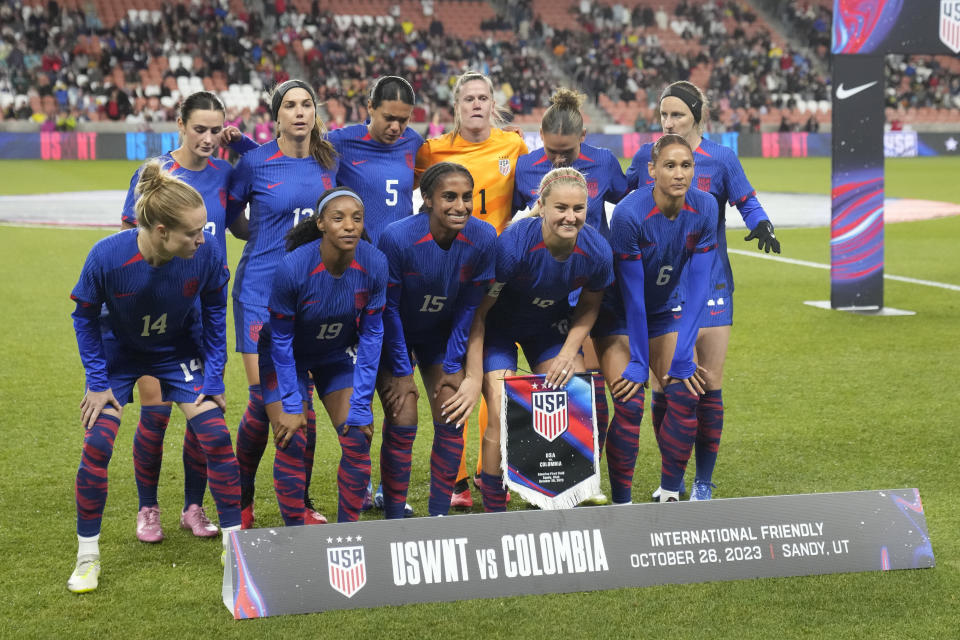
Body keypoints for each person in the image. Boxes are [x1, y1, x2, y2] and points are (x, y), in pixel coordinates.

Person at [68, 162, 241, 593]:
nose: (202, 239)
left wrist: (214, 376)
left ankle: (238, 553)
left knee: (217, 436)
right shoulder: (107, 255)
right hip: (119, 358)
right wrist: (96, 380)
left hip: (176, 353)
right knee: (98, 443)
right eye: (193, 232)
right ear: (161, 230)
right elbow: (84, 317)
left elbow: (216, 313)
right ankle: (87, 557)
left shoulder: (206, 254)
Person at [626, 81, 781, 501]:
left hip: (710, 282)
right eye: (664, 115)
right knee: (667, 384)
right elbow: (623, 199)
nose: (669, 122)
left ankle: (703, 482)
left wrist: (760, 222)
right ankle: (671, 477)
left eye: (678, 114)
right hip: (662, 288)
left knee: (708, 381)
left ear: (696, 114)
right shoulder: (648, 156)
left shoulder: (721, 158)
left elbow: (746, 199)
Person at [442, 167, 613, 512]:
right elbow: (479, 312)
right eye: (561, 208)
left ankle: (554, 497)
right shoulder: (514, 245)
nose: (570, 216)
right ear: (542, 206)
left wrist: (568, 353)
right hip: (498, 331)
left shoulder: (596, 250)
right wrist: (474, 375)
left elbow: (590, 306)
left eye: (578, 209)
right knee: (503, 412)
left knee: (574, 396)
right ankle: (494, 508)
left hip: (547, 329)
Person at [119, 91, 248, 543]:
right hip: (155, 316)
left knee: (205, 409)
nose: (209, 138)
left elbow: (239, 226)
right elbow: (128, 241)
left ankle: (193, 506)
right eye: (200, 129)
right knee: (154, 412)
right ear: (180, 124)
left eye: (216, 130)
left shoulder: (227, 174)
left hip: (203, 312)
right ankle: (147, 508)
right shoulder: (155, 174)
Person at [227, 79, 339, 527]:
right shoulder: (253, 163)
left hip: (308, 299)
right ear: (276, 116)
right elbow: (233, 215)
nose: (299, 112)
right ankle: (242, 496)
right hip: (257, 294)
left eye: (306, 104)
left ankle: (301, 502)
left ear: (315, 112)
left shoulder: (330, 162)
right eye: (289, 105)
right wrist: (255, 236)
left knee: (303, 405)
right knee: (264, 400)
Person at [513, 87, 633, 504]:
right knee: (571, 388)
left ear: (583, 136)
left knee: (593, 393)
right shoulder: (527, 167)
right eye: (551, 150)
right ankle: (563, 477)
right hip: (546, 288)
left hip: (593, 284)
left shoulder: (603, 162)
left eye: (566, 152)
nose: (558, 160)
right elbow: (518, 221)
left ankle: (586, 479)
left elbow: (629, 200)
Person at [415, 70, 529, 507]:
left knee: (491, 380)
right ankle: (456, 480)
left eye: (483, 98)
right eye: (469, 99)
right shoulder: (433, 150)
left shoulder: (513, 145)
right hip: (449, 278)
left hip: (499, 279)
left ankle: (490, 470)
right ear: (456, 105)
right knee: (452, 377)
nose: (476, 105)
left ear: (492, 104)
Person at [376, 162, 496, 517]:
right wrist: (401, 371)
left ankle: (439, 515)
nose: (460, 206)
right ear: (426, 199)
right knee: (403, 413)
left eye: (466, 197)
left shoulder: (484, 237)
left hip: (439, 336)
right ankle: (394, 513)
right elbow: (389, 309)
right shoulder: (397, 238)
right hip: (393, 334)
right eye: (449, 197)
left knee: (452, 409)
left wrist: (454, 364)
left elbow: (471, 307)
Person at [260, 187, 387, 523]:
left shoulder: (375, 262)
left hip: (334, 354)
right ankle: (293, 533)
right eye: (338, 218)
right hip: (285, 355)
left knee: (358, 435)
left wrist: (361, 405)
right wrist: (290, 402)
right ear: (320, 224)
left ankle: (348, 533)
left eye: (356, 219)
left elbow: (372, 335)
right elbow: (282, 339)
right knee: (291, 436)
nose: (349, 226)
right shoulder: (292, 267)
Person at [612, 134, 718, 503]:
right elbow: (631, 297)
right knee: (628, 401)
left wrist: (685, 355)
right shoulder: (628, 214)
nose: (679, 174)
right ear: (651, 170)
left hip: (661, 309)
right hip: (616, 314)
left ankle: (669, 492)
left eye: (686, 166)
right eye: (669, 166)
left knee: (685, 392)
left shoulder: (705, 207)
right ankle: (622, 504)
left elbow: (699, 288)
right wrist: (640, 361)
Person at [326, 76, 424, 245]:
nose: (395, 127)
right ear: (370, 107)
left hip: (403, 257)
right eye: (389, 118)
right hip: (360, 257)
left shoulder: (413, 142)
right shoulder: (341, 142)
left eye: (403, 120)